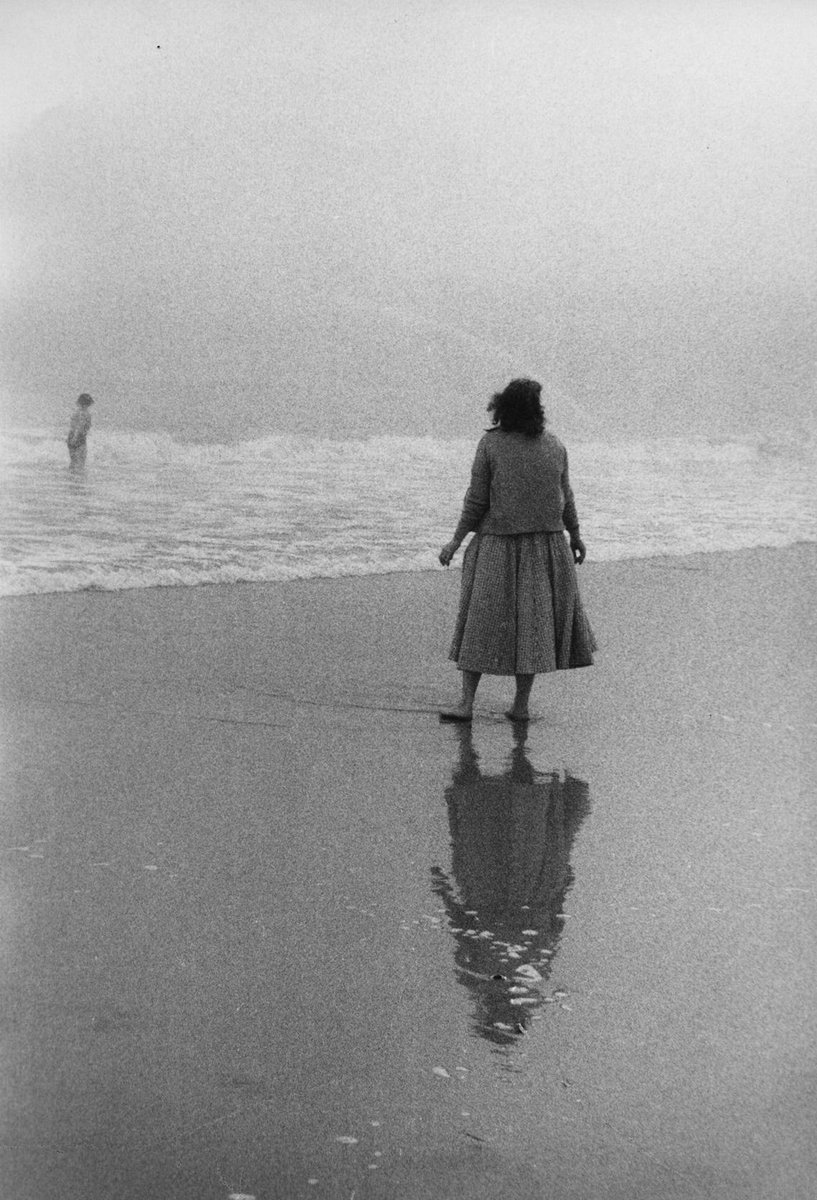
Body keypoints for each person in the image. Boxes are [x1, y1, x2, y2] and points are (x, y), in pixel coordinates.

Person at [439, 377, 596, 721]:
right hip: (547, 547)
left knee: (480, 625)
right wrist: (576, 536)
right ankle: (520, 706)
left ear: (502, 407)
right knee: (532, 629)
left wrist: (456, 539)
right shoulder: (555, 445)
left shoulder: (490, 445)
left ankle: (466, 704)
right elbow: (566, 497)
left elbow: (476, 500)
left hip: (499, 544)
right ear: (536, 410)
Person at [67, 393, 94, 469]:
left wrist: (71, 438)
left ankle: (70, 477)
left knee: (73, 461)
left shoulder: (75, 412)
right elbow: (80, 427)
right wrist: (75, 438)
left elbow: (72, 426)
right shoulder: (85, 414)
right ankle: (79, 478)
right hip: (79, 437)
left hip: (71, 436)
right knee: (81, 462)